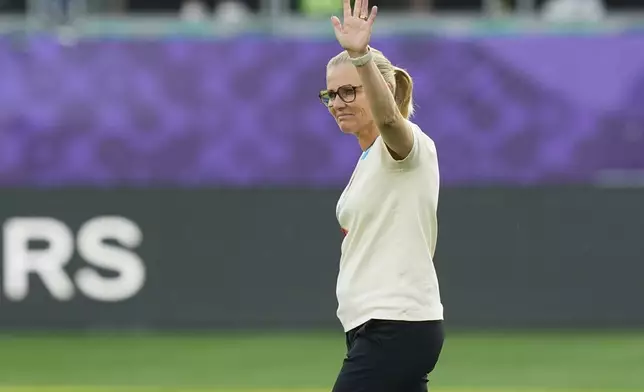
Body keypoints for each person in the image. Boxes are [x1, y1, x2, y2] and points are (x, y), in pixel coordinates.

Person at [318, 0, 445, 391]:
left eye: (349, 91)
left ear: (382, 88)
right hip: (376, 327)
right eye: (331, 95)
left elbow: (389, 119)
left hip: (394, 326)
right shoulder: (369, 161)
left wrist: (360, 55)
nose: (338, 103)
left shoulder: (405, 146)